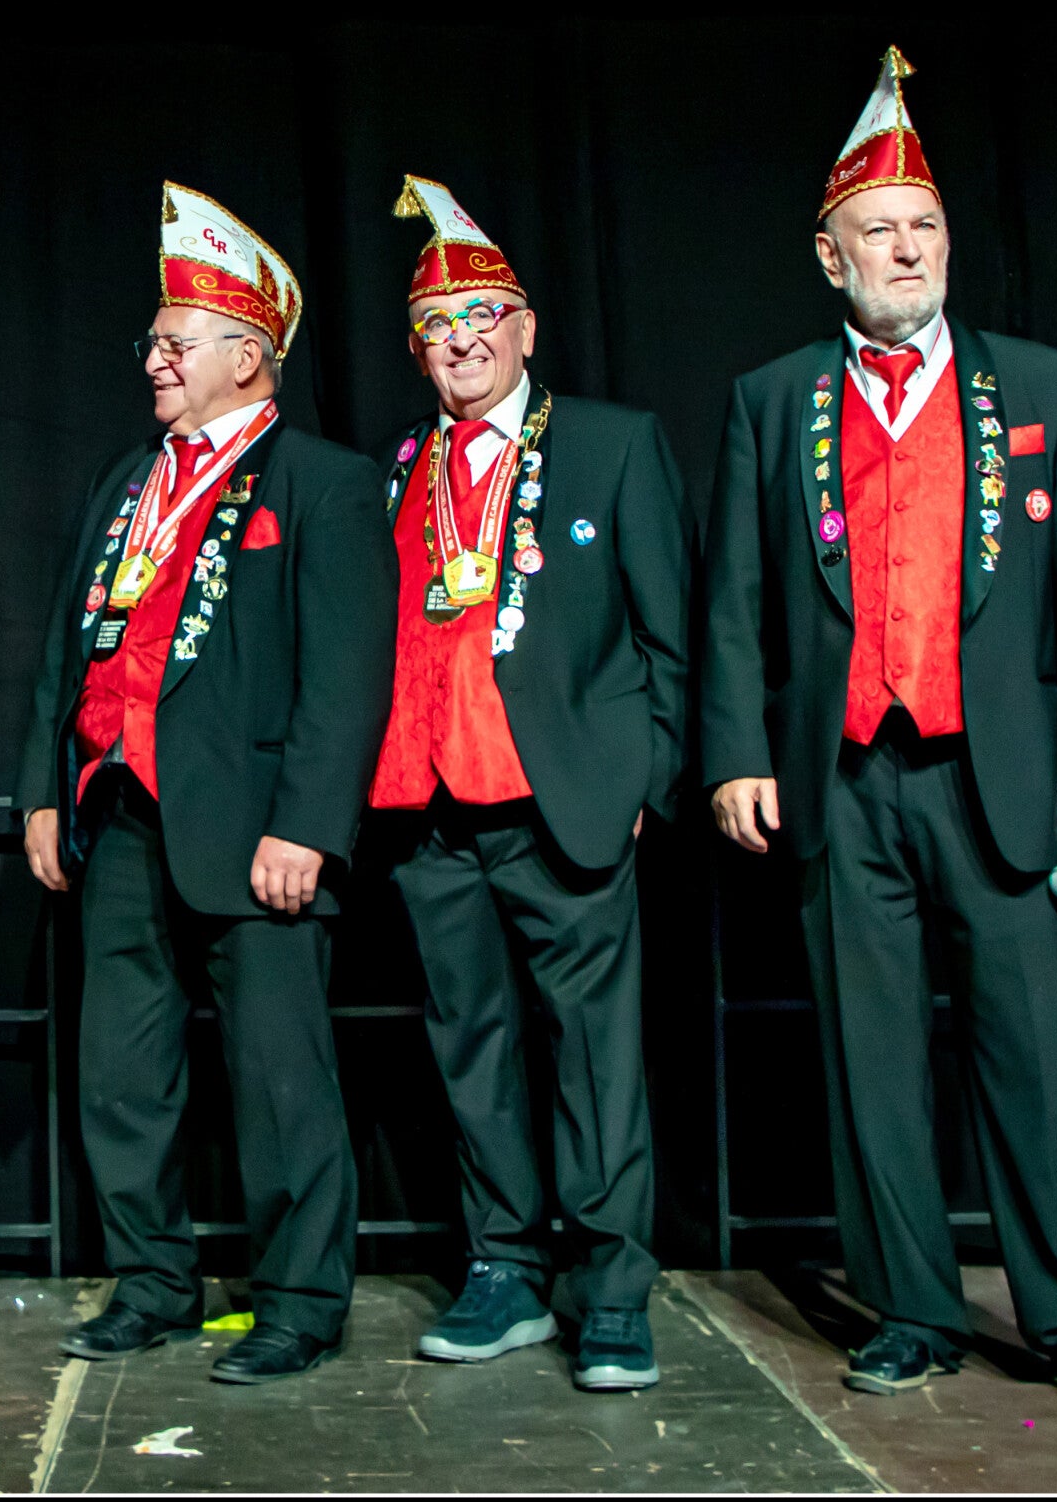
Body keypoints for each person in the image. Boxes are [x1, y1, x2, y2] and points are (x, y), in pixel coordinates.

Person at [701, 48, 1057, 1414]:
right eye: (878, 231)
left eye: (924, 227)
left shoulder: (1043, 385)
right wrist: (734, 751)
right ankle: (908, 1307)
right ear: (827, 255)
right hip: (840, 777)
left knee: (1029, 1058)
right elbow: (732, 599)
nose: (906, 250)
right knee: (869, 1061)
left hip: (990, 775)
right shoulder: (772, 399)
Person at [15, 182, 396, 1385]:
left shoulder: (322, 481)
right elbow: (64, 646)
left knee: (279, 1078)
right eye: (153, 342)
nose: (154, 361)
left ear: (248, 356)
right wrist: (42, 790)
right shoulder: (124, 480)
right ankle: (151, 1282)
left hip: (255, 828)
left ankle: (299, 1300)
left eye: (174, 343)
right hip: (118, 810)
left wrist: (309, 826)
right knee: (123, 1071)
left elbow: (347, 674)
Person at [363, 177, 694, 1392]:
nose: (460, 341)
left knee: (595, 1056)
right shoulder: (395, 465)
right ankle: (502, 1266)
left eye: (480, 316)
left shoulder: (611, 442)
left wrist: (642, 776)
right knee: (470, 1050)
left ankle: (608, 1289)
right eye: (435, 325)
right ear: (414, 349)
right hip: (429, 810)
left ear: (525, 328)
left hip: (566, 804)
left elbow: (669, 635)